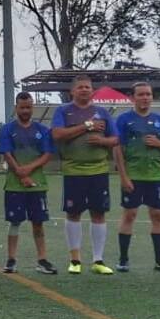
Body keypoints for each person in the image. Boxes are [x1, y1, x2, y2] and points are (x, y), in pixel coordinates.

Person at [50, 73, 118, 275]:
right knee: (73, 213)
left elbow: (115, 139)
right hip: (73, 170)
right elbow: (57, 135)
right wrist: (87, 126)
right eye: (80, 87)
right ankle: (75, 260)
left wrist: (102, 142)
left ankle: (98, 260)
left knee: (99, 213)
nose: (84, 90)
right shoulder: (63, 111)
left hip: (99, 170)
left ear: (92, 90)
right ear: (72, 91)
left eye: (87, 87)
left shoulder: (102, 112)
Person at [114, 83, 160, 272]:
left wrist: (158, 143)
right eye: (141, 94)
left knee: (157, 215)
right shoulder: (124, 119)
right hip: (133, 175)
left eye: (148, 94)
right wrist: (123, 176)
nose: (145, 97)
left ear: (152, 97)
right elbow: (117, 149)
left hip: (155, 176)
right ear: (133, 97)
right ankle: (123, 259)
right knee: (130, 214)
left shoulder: (159, 120)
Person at [0, 92, 57, 275]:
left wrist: (28, 170)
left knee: (38, 222)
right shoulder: (7, 129)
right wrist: (21, 173)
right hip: (15, 184)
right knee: (15, 222)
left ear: (33, 108)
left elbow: (47, 154)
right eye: (22, 107)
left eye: (28, 107)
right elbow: (7, 153)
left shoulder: (43, 130)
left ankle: (42, 259)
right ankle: (11, 259)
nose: (25, 110)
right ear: (16, 108)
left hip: (37, 184)